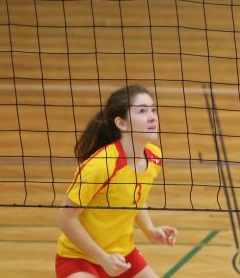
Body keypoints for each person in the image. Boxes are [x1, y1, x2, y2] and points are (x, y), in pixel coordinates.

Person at [55, 85, 176, 278]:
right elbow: (64, 219)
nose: (153, 117)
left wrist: (150, 230)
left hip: (123, 255)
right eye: (142, 111)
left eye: (153, 109)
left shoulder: (154, 157)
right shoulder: (100, 166)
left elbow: (135, 196)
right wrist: (103, 258)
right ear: (121, 123)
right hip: (80, 258)